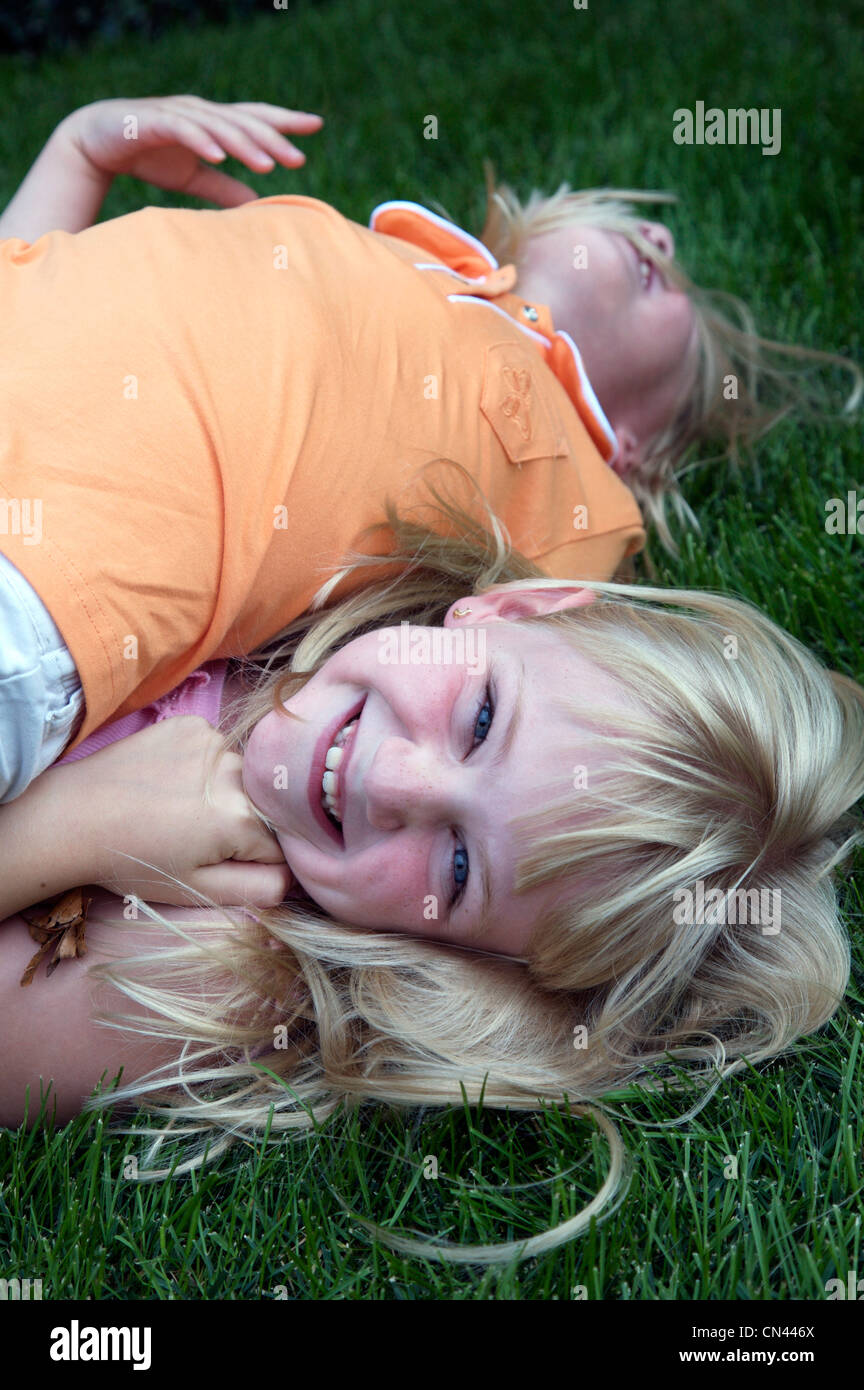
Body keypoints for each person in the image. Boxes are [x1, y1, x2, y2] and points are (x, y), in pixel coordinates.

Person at [2, 483, 862, 1266]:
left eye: (456, 866)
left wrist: (77, 826)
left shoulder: (228, 956)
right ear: (513, 609)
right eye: (482, 717)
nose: (395, 780)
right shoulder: (297, 556)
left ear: (451, 952)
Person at [1, 95, 858, 824]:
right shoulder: (410, 256)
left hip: (60, 581)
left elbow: (623, 710)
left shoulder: (584, 509)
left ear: (636, 448)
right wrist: (79, 150)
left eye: (678, 296)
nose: (661, 239)